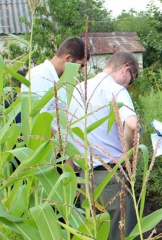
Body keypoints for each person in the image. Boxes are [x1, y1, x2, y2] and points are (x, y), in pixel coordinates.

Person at [68, 51, 139, 240]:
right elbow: (132, 123)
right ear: (126, 70)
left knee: (94, 234)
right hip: (112, 177)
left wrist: (72, 176)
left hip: (85, 178)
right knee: (121, 234)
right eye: (130, 81)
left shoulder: (78, 88)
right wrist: (128, 156)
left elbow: (69, 136)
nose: (128, 86)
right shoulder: (115, 89)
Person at [21, 37, 90, 117]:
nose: (80, 70)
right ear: (68, 58)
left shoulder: (63, 80)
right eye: (80, 65)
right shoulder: (40, 76)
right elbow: (36, 120)